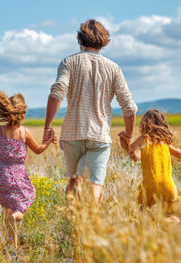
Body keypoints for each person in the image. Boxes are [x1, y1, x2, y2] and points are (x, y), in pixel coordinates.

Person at [43, 19, 138, 204]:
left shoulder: (69, 62)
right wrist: (128, 134)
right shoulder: (113, 68)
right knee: (95, 185)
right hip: (99, 136)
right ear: (103, 41)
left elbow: (57, 92)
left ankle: (74, 223)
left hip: (72, 134)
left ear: (80, 39)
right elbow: (129, 107)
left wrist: (48, 126)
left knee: (73, 180)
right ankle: (90, 226)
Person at [0, 83, 57, 249]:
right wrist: (49, 141)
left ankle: (12, 246)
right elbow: (38, 150)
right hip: (17, 173)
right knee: (23, 202)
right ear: (22, 114)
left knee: (8, 208)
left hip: (0, 173)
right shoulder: (24, 132)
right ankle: (15, 218)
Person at [119, 109, 181, 222]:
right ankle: (169, 226)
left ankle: (141, 225)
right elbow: (179, 152)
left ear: (144, 123)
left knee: (142, 209)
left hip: (150, 184)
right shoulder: (164, 142)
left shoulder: (143, 139)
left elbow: (131, 151)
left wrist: (124, 142)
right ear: (162, 124)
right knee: (169, 214)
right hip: (167, 184)